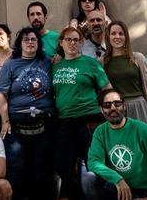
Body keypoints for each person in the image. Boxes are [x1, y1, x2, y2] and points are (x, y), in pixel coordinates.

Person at [52, 24, 113, 200]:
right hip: (65, 122)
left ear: (81, 42)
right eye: (68, 40)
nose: (72, 43)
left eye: (76, 40)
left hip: (90, 121)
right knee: (62, 165)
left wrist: (109, 111)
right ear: (61, 43)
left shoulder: (90, 63)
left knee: (95, 166)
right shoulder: (55, 65)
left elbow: (107, 89)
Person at [0, 26, 55, 199]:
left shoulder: (47, 62)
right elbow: (1, 93)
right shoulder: (11, 65)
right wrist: (5, 121)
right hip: (16, 128)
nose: (30, 42)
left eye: (33, 39)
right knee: (17, 170)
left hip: (44, 126)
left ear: (38, 43)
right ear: (20, 44)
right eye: (26, 39)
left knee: (41, 169)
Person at [84, 89, 147, 200]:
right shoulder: (100, 131)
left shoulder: (140, 129)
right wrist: (118, 179)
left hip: (145, 191)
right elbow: (94, 162)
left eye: (117, 103)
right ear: (102, 109)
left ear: (124, 106)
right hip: (117, 187)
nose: (113, 108)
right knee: (88, 178)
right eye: (107, 105)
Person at [101, 21, 147, 128]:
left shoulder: (137, 58)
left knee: (142, 142)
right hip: (115, 109)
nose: (117, 36)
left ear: (126, 37)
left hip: (138, 107)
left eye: (121, 33)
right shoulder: (102, 61)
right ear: (108, 37)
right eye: (113, 33)